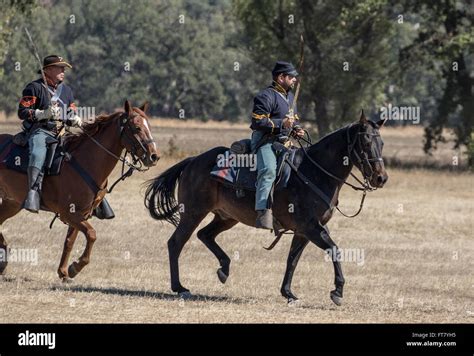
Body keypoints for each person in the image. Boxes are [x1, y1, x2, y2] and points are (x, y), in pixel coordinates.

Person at [250, 61, 305, 230]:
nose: (295, 80)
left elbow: (291, 122)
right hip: (266, 142)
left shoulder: (290, 98)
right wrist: (282, 123)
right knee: (268, 170)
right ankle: (263, 212)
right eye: (291, 76)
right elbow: (258, 122)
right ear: (281, 77)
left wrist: (296, 130)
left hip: (285, 143)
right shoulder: (265, 96)